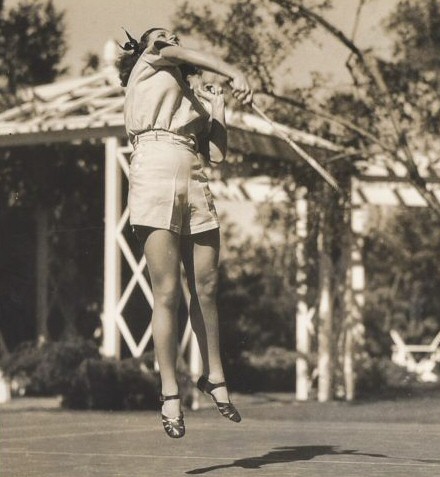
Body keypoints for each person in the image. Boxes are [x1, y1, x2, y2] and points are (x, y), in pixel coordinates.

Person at [117, 27, 252, 438]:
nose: (169, 37)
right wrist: (234, 72)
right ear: (145, 46)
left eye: (172, 33)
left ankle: (214, 376)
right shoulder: (151, 58)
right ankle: (170, 392)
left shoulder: (191, 94)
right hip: (153, 167)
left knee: (207, 286)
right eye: (161, 34)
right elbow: (186, 50)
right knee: (168, 292)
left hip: (192, 173)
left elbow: (216, 154)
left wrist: (219, 109)